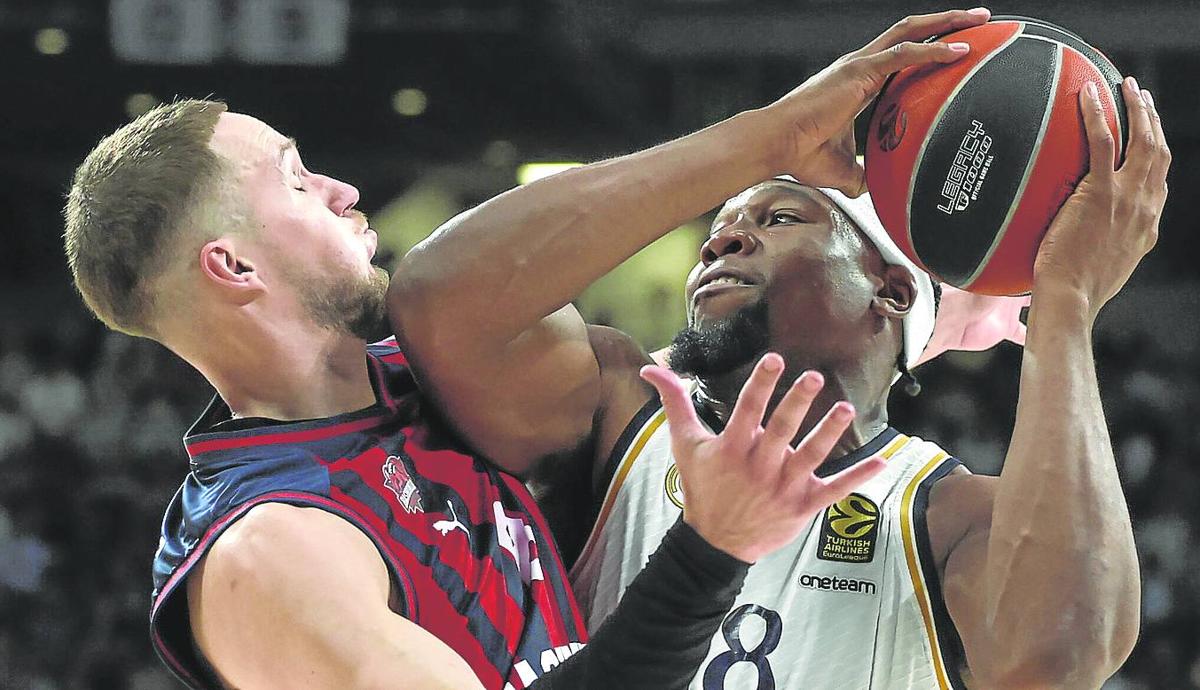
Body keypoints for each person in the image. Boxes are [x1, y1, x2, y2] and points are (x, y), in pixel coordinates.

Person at [59, 26, 960, 685]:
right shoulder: (272, 554)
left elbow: (510, 292)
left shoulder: (408, 382)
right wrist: (712, 549)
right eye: (297, 181)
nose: (343, 190)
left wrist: (944, 311)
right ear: (233, 266)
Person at [388, 13, 1170, 690]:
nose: (721, 237)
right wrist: (768, 138)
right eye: (722, 222)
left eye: (782, 216)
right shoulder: (619, 405)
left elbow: (1059, 659)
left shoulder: (949, 514)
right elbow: (439, 300)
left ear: (891, 292)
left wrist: (1064, 304)